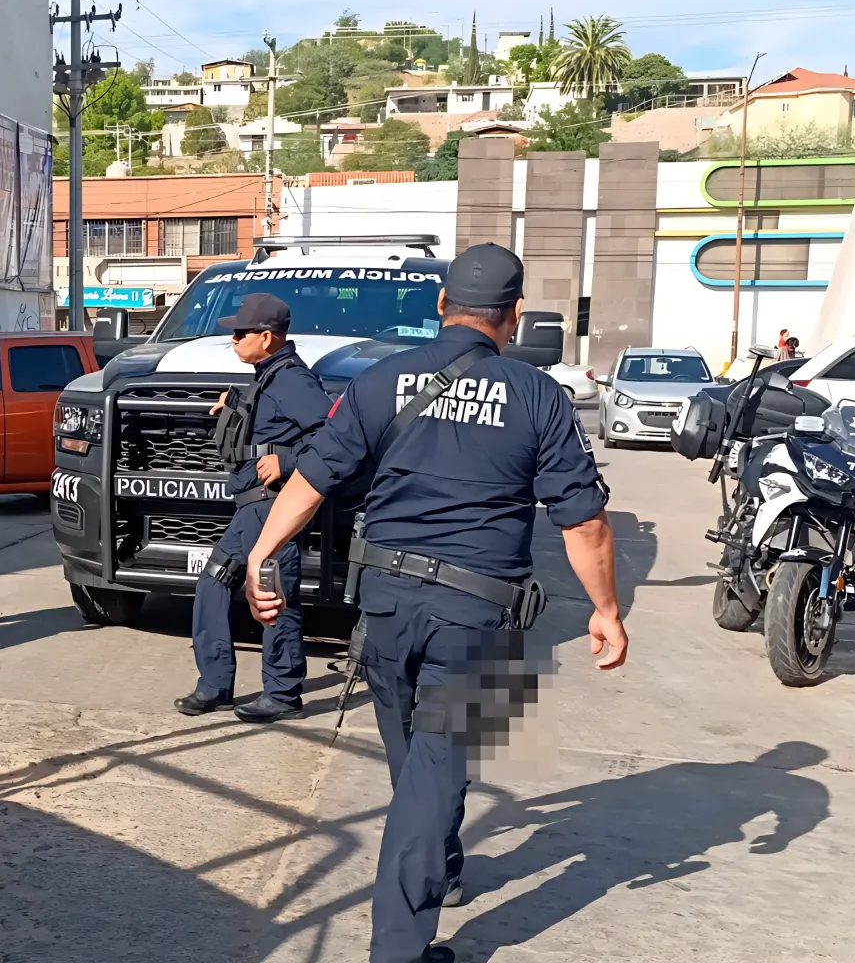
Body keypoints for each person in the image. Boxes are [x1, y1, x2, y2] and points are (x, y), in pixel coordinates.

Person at [243, 243, 630, 963]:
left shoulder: (381, 379)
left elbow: (314, 479)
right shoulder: (538, 396)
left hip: (385, 605)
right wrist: (605, 611)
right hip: (478, 616)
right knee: (437, 766)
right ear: (512, 317)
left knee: (419, 763)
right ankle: (398, 948)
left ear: (442, 306)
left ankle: (442, 868)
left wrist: (262, 553)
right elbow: (583, 522)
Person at [175, 293, 332, 724]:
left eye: (240, 333)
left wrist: (287, 461)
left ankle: (282, 694)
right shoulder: (268, 376)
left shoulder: (293, 380)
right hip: (252, 509)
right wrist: (233, 402)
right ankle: (215, 685)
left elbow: (332, 437)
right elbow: (267, 415)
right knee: (214, 582)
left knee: (273, 594)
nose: (234, 340)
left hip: (274, 507)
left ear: (267, 337)